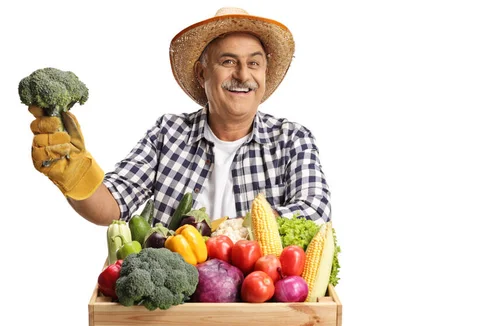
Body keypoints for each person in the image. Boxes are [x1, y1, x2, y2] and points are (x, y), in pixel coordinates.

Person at [27, 7, 332, 227]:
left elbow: (315, 209)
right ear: (202, 73)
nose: (243, 75)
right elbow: (112, 207)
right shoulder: (168, 134)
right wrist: (75, 175)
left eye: (254, 63)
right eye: (228, 61)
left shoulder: (292, 138)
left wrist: (234, 229)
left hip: (262, 305)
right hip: (175, 310)